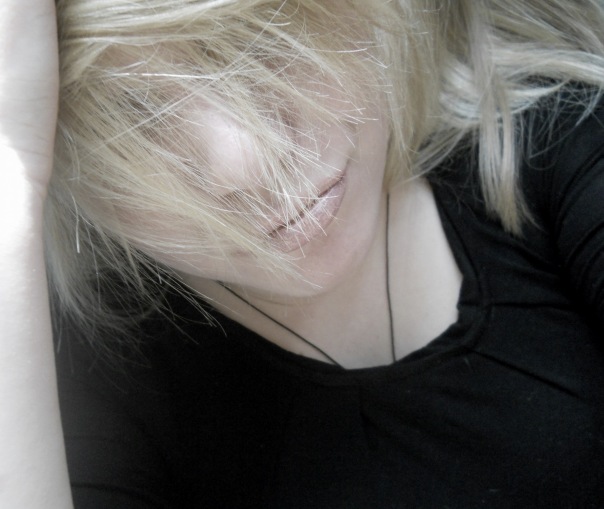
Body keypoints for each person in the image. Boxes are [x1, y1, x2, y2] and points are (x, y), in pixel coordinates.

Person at [2, 0, 604, 507]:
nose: (241, 165)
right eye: (132, 119)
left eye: (258, 41)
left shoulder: (549, 133)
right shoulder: (82, 388)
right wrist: (13, 184)